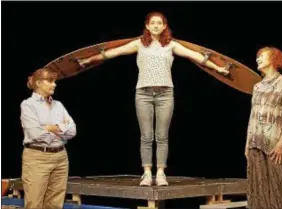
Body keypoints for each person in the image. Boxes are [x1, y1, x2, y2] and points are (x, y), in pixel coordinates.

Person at [78, 11, 229, 186]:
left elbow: (196, 56)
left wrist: (217, 68)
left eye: (160, 23)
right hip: (143, 94)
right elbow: (113, 52)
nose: (156, 25)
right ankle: (147, 173)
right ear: (147, 26)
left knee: (162, 136)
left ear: (165, 26)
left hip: (165, 94)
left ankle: (161, 173)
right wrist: (88, 60)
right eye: (153, 23)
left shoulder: (171, 45)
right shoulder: (139, 44)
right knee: (146, 136)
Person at [245, 46, 282, 209]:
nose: (258, 59)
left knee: (278, 185)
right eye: (257, 56)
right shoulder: (257, 87)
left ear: (274, 59)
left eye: (262, 55)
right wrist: (248, 142)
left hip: (276, 142)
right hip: (256, 142)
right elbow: (253, 114)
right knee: (258, 187)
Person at [20, 67, 77, 209]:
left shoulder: (58, 105)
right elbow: (36, 134)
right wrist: (60, 128)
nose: (54, 84)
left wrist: (49, 127)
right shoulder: (28, 105)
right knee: (34, 203)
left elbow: (73, 130)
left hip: (61, 157)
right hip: (37, 157)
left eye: (55, 81)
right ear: (39, 83)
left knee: (55, 203)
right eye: (50, 81)